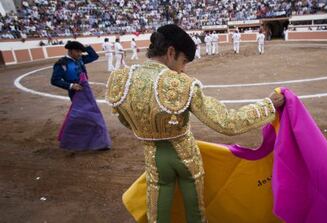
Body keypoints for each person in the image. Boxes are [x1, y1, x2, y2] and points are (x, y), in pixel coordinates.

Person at [106, 24, 285, 223]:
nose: (183, 69)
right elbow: (227, 123)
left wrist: (149, 131)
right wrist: (268, 105)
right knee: (195, 213)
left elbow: (125, 119)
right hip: (186, 157)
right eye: (183, 61)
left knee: (157, 214)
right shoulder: (181, 84)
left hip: (153, 158)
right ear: (171, 52)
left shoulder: (121, 79)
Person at [51, 41, 111, 151]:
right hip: (75, 93)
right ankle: (93, 140)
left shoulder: (80, 59)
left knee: (88, 115)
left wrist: (86, 47)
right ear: (70, 51)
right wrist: (70, 85)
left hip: (86, 91)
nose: (79, 54)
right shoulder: (61, 64)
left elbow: (94, 56)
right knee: (87, 115)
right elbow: (54, 80)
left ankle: (95, 140)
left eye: (80, 51)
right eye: (77, 51)